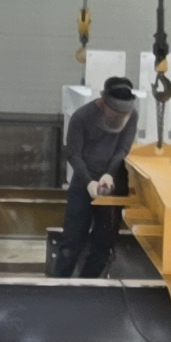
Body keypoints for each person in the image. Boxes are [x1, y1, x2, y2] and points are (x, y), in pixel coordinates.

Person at [53, 75, 140, 278]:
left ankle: (87, 285)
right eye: (115, 111)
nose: (119, 115)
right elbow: (73, 154)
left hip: (112, 184)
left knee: (103, 243)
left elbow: (123, 148)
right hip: (84, 181)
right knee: (73, 239)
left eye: (123, 112)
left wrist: (110, 174)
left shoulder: (130, 115)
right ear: (104, 102)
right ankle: (60, 284)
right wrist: (88, 181)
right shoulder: (82, 117)